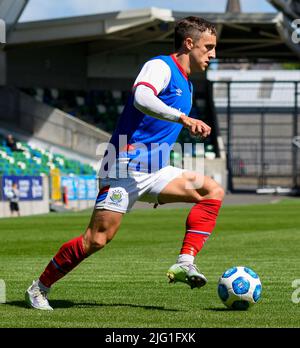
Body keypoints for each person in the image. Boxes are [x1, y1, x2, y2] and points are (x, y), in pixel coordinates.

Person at [25, 16, 224, 311]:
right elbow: (142, 96)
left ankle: (185, 263)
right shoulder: (160, 66)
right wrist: (183, 118)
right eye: (208, 47)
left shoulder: (189, 86)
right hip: (122, 164)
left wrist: (185, 126)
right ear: (189, 43)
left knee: (212, 191)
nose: (213, 54)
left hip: (155, 169)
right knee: (96, 239)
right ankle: (39, 288)